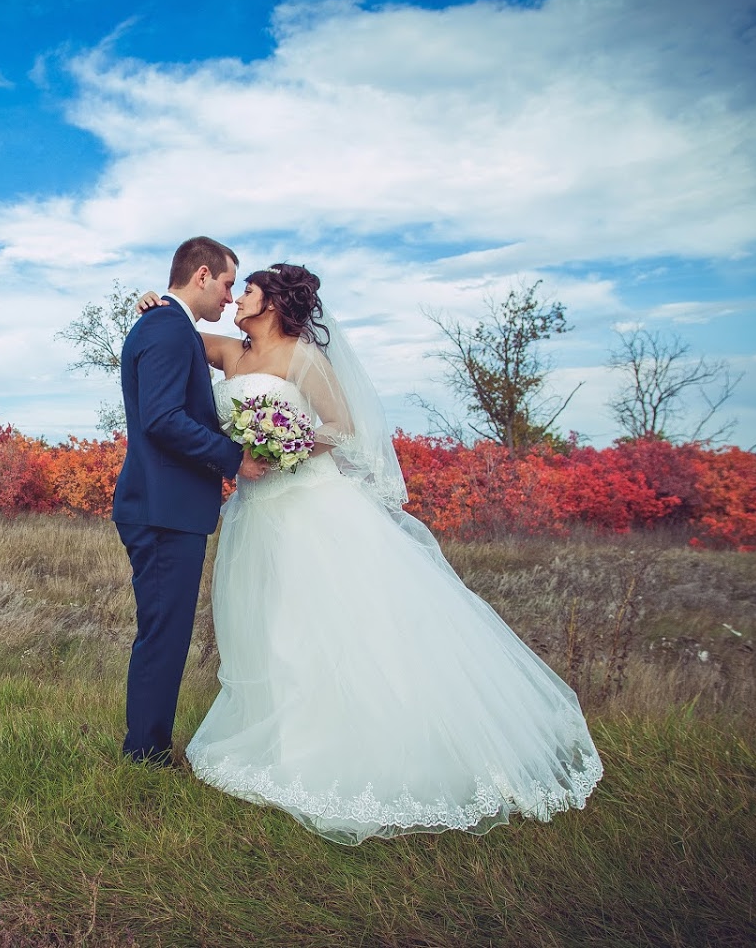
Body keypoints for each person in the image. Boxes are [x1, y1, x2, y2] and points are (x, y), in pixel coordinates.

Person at [135, 264, 602, 843]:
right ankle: (282, 736)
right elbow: (179, 329)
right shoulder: (231, 353)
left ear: (273, 303)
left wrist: (290, 444)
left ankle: (353, 742)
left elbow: (342, 426)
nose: (237, 297)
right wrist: (152, 301)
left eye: (247, 290)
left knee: (329, 621)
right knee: (271, 625)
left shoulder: (306, 360)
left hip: (309, 500)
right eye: (234, 287)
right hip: (257, 512)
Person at [112, 236, 270, 767]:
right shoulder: (165, 328)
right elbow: (161, 420)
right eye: (228, 284)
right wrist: (233, 458)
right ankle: (146, 754)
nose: (230, 298)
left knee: (167, 630)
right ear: (202, 275)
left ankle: (148, 745)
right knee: (164, 633)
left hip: (168, 507)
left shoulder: (171, 325)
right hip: (161, 509)